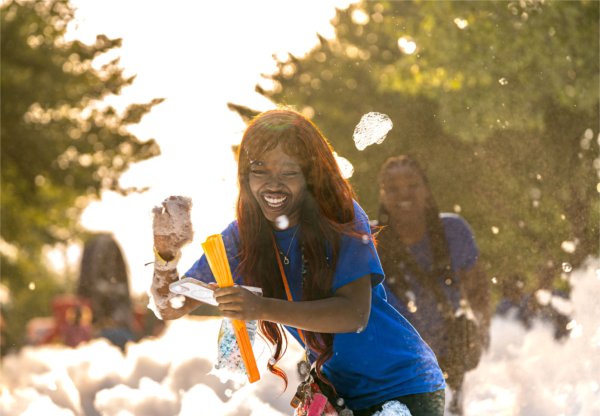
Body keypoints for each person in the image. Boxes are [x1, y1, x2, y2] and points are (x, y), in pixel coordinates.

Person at [149, 109, 446, 415]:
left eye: (288, 172)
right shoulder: (243, 236)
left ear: (310, 177)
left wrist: (261, 308)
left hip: (405, 387)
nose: (272, 184)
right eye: (259, 169)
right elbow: (171, 306)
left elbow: (354, 315)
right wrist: (166, 256)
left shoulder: (340, 215)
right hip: (340, 394)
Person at [374, 155, 492, 416]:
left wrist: (480, 334)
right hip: (394, 364)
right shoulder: (370, 241)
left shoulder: (453, 232)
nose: (403, 193)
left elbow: (478, 291)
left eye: (412, 185)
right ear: (382, 197)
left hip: (448, 359)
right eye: (392, 188)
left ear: (426, 191)